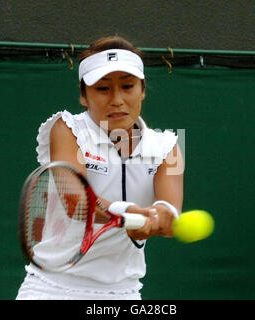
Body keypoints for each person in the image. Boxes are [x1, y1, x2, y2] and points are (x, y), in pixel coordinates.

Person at [16, 35, 184, 300]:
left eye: (128, 86)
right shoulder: (66, 128)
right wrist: (126, 213)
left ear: (142, 89)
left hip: (123, 291)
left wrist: (158, 218)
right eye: (103, 89)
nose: (117, 99)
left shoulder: (169, 146)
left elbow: (171, 215)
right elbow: (76, 202)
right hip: (52, 287)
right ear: (83, 96)